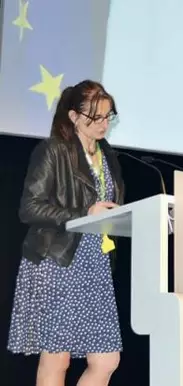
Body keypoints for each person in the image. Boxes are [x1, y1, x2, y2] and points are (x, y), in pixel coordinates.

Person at [6, 80, 125, 386]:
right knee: (57, 358)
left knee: (107, 359)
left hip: (95, 264)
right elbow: (29, 207)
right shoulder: (53, 150)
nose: (103, 124)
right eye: (95, 117)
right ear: (73, 117)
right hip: (58, 259)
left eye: (107, 116)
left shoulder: (108, 155)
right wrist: (82, 215)